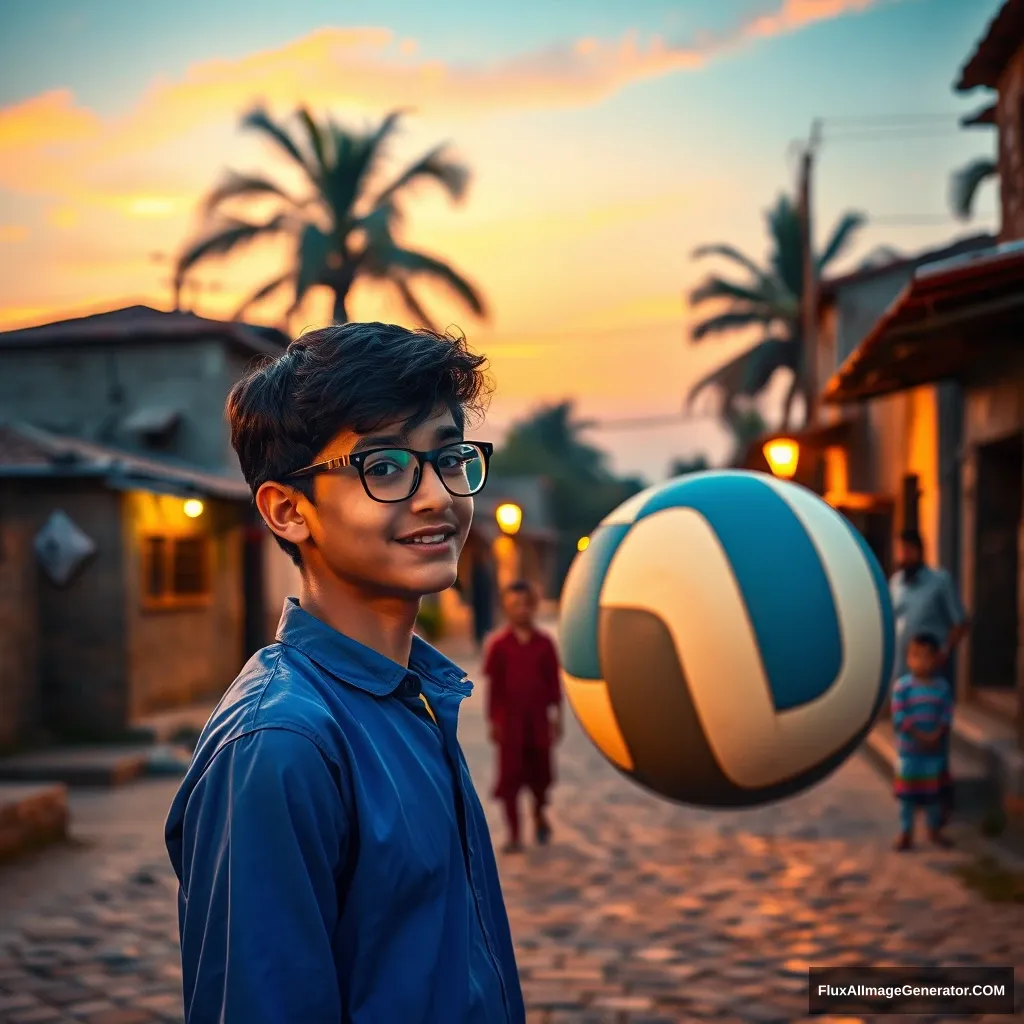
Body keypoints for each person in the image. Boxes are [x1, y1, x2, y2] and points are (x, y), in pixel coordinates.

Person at [164, 323, 524, 1024]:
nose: (437, 497)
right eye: (385, 467)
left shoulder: (412, 699)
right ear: (288, 510)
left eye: (450, 457)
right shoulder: (281, 746)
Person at [889, 529, 969, 826]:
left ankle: (940, 810)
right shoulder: (896, 583)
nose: (902, 556)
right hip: (903, 679)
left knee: (937, 750)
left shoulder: (939, 582)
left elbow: (960, 622)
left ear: (919, 551)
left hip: (932, 685)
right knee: (906, 750)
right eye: (900, 551)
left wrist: (944, 652)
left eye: (907, 550)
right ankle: (910, 810)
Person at [483, 581, 562, 854]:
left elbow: (554, 684)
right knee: (510, 779)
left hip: (538, 720)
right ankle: (514, 834)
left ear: (534, 606)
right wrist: (493, 721)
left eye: (526, 604)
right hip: (510, 722)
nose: (521, 610)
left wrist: (557, 717)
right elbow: (494, 688)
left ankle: (540, 812)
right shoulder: (500, 646)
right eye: (515, 605)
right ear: (507, 609)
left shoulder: (545, 644)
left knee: (541, 775)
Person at [891, 632, 955, 851]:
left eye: (927, 656)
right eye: (915, 656)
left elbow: (946, 715)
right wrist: (921, 736)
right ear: (908, 658)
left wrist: (936, 735)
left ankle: (933, 830)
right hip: (910, 752)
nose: (921, 661)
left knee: (934, 796)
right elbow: (900, 717)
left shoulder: (942, 688)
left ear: (936, 659)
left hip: (933, 754)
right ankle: (905, 832)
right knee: (907, 797)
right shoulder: (903, 687)